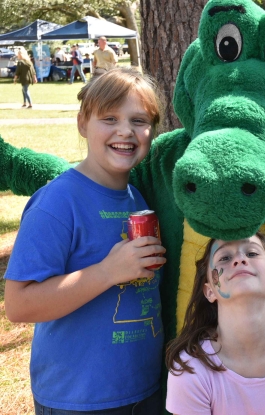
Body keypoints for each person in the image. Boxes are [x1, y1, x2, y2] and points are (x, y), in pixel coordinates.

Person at [4, 67, 167, 414]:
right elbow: (19, 305)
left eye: (139, 120)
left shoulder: (139, 200)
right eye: (109, 118)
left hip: (145, 390)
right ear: (82, 124)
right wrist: (108, 272)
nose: (125, 131)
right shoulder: (57, 203)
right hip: (77, 399)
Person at [166, 232, 265, 414]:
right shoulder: (191, 370)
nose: (239, 260)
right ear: (210, 291)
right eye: (225, 257)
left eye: (252, 253)